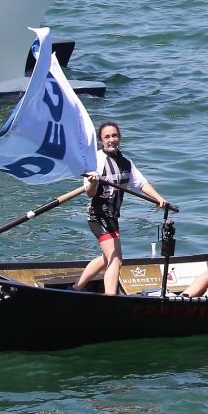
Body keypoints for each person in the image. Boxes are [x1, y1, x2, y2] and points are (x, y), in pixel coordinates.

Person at [72, 121, 170, 296]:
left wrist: (159, 198)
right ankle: (111, 298)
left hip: (112, 217)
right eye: (107, 137)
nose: (111, 140)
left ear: (120, 138)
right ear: (102, 141)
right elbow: (89, 193)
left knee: (106, 259)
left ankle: (75, 288)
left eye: (114, 135)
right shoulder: (95, 162)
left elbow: (141, 183)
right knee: (116, 259)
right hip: (98, 215)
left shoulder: (126, 162)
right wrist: (93, 183)